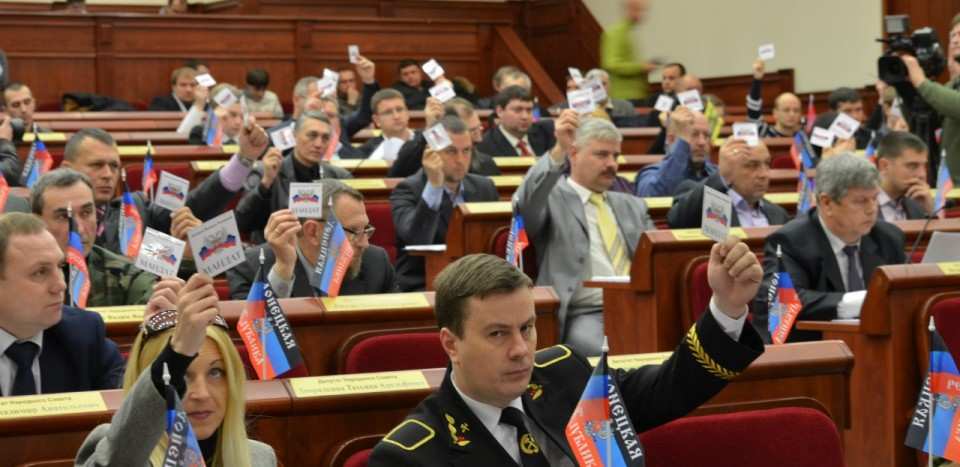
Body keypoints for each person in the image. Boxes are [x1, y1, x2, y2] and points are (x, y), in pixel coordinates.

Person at [369, 247, 764, 465]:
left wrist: (727, 307)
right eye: (497, 334)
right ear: (451, 343)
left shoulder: (563, 375)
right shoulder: (412, 457)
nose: (520, 350)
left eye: (526, 328)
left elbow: (669, 388)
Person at [75, 274, 277, 466]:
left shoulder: (259, 458)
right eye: (182, 376)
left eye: (215, 373)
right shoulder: (112, 449)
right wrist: (178, 352)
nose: (201, 394)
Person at [516, 113, 655, 355]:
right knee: (610, 353)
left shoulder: (632, 205)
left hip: (640, 306)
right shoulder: (552, 198)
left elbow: (658, 257)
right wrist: (558, 149)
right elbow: (525, 203)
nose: (611, 164)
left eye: (615, 156)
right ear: (574, 154)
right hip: (585, 312)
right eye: (601, 154)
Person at [752, 153, 906, 342]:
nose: (871, 209)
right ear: (827, 203)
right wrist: (862, 300)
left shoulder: (888, 238)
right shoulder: (789, 242)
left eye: (874, 198)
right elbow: (784, 302)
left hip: (875, 346)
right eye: (860, 201)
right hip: (812, 348)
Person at [59, 127, 258, 257]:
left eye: (114, 166)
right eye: (96, 165)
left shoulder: (134, 208)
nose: (108, 175)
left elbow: (191, 208)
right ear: (67, 168)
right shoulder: (48, 218)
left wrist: (244, 160)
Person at [0, 212, 124, 396]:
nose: (61, 285)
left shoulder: (84, 334)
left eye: (60, 266)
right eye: (40, 272)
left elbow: (129, 405)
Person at [227, 180, 397, 299]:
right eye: (353, 232)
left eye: (366, 229)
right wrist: (283, 269)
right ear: (313, 232)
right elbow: (257, 331)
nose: (364, 243)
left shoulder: (376, 263)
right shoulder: (251, 267)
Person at [391, 115, 499, 292]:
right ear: (431, 153)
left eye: (466, 151)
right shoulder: (407, 190)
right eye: (451, 151)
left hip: (479, 283)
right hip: (425, 284)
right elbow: (418, 240)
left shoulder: (484, 187)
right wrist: (434, 186)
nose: (460, 160)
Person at [32, 169, 156, 307]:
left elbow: (151, 298)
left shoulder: (124, 274)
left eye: (86, 213)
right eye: (63, 217)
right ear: (37, 222)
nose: (79, 229)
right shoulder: (16, 275)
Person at [236, 111, 351, 242]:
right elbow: (242, 223)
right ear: (294, 135)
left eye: (325, 138)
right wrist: (266, 183)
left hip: (321, 249)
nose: (319, 144)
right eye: (312, 135)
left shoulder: (340, 177)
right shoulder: (264, 172)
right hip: (274, 248)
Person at [667, 138, 790, 228]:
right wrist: (722, 177)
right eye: (752, 165)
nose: (764, 174)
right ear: (728, 169)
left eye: (767, 164)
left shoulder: (779, 214)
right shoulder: (708, 203)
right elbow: (676, 221)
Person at [900, 33, 960, 184]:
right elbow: (923, 117)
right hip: (947, 184)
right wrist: (904, 88)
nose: (955, 40)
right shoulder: (953, 85)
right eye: (952, 35)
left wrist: (920, 81)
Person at [390, 97, 500, 178]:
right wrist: (431, 128)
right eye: (472, 130)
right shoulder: (417, 151)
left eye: (478, 127)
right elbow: (397, 176)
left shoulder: (486, 163)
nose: (479, 137)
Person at [635, 106, 716, 197]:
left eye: (706, 135)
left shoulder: (715, 173)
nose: (702, 142)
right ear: (671, 140)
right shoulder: (651, 173)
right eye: (693, 134)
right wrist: (683, 144)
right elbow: (653, 196)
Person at [600, 0, 659, 104]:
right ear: (629, 9)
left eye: (643, 10)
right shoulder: (615, 32)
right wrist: (641, 67)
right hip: (624, 97)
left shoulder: (629, 32)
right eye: (638, 10)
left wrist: (644, 67)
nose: (642, 14)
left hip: (636, 95)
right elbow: (611, 64)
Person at [477, 86, 556, 157]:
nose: (525, 116)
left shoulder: (547, 132)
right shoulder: (485, 145)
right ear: (500, 111)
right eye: (518, 110)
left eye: (529, 110)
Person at [876, 131, 934, 220]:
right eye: (912, 166)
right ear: (884, 166)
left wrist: (931, 212)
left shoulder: (919, 204)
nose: (922, 174)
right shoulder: (859, 204)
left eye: (924, 166)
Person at [744, 59, 802, 138]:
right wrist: (757, 80)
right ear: (775, 113)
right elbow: (753, 111)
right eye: (786, 110)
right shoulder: (763, 131)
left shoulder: (803, 137)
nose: (792, 114)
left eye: (796, 110)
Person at [359, 88, 417, 158]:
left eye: (399, 109)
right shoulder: (367, 152)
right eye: (388, 112)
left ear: (407, 113)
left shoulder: (425, 139)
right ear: (377, 120)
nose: (396, 116)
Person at [179, 83, 244, 145]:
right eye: (233, 115)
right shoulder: (200, 134)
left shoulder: (248, 137)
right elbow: (181, 138)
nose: (238, 122)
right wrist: (199, 103)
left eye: (242, 116)